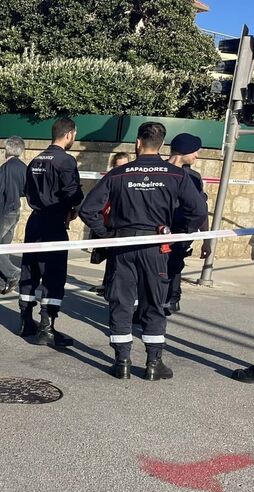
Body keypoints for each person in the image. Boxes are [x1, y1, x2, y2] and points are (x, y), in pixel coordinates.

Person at [79, 122, 207, 381]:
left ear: (138, 143)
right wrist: (180, 233)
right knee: (154, 304)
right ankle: (153, 363)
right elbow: (199, 211)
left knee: (122, 303)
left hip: (122, 247)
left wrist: (107, 235)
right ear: (161, 145)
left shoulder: (118, 174)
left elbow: (87, 210)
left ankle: (122, 361)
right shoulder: (177, 175)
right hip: (157, 248)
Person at [18, 117, 84, 347]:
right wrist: (75, 207)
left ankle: (25, 320)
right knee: (53, 275)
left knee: (30, 270)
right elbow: (73, 193)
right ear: (69, 135)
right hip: (54, 224)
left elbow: (27, 191)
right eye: (74, 135)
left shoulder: (35, 160)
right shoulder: (65, 161)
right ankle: (46, 328)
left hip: (34, 222)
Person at [164, 133, 210, 316]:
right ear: (185, 150)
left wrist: (205, 239)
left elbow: (201, 209)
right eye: (195, 151)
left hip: (182, 231)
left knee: (175, 265)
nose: (197, 155)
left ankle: (172, 298)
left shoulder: (194, 177)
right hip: (157, 231)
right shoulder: (158, 171)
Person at [0, 136, 28, 294]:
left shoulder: (5, 167)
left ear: (7, 150)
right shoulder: (23, 167)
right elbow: (26, 190)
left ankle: (13, 273)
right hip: (15, 209)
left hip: (2, 211)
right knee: (3, 247)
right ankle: (0, 283)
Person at [91, 152, 132, 293]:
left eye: (124, 165)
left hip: (123, 225)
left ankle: (112, 286)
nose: (121, 169)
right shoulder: (109, 181)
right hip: (107, 223)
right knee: (109, 256)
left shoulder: (132, 183)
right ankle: (107, 284)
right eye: (117, 166)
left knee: (118, 259)